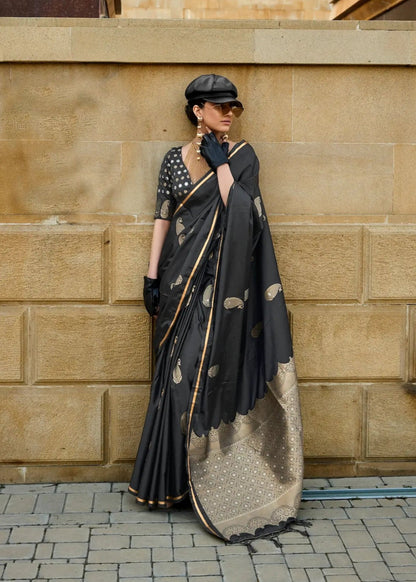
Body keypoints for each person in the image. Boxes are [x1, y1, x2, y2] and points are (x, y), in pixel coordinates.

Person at [128, 74, 306, 547]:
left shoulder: (242, 156)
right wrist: (150, 277)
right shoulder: (172, 160)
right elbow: (163, 216)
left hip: (222, 288)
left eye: (233, 107)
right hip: (177, 284)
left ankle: (210, 478)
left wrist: (221, 164)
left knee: (196, 378)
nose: (229, 114)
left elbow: (244, 215)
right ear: (197, 111)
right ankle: (170, 483)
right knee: (172, 380)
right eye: (220, 106)